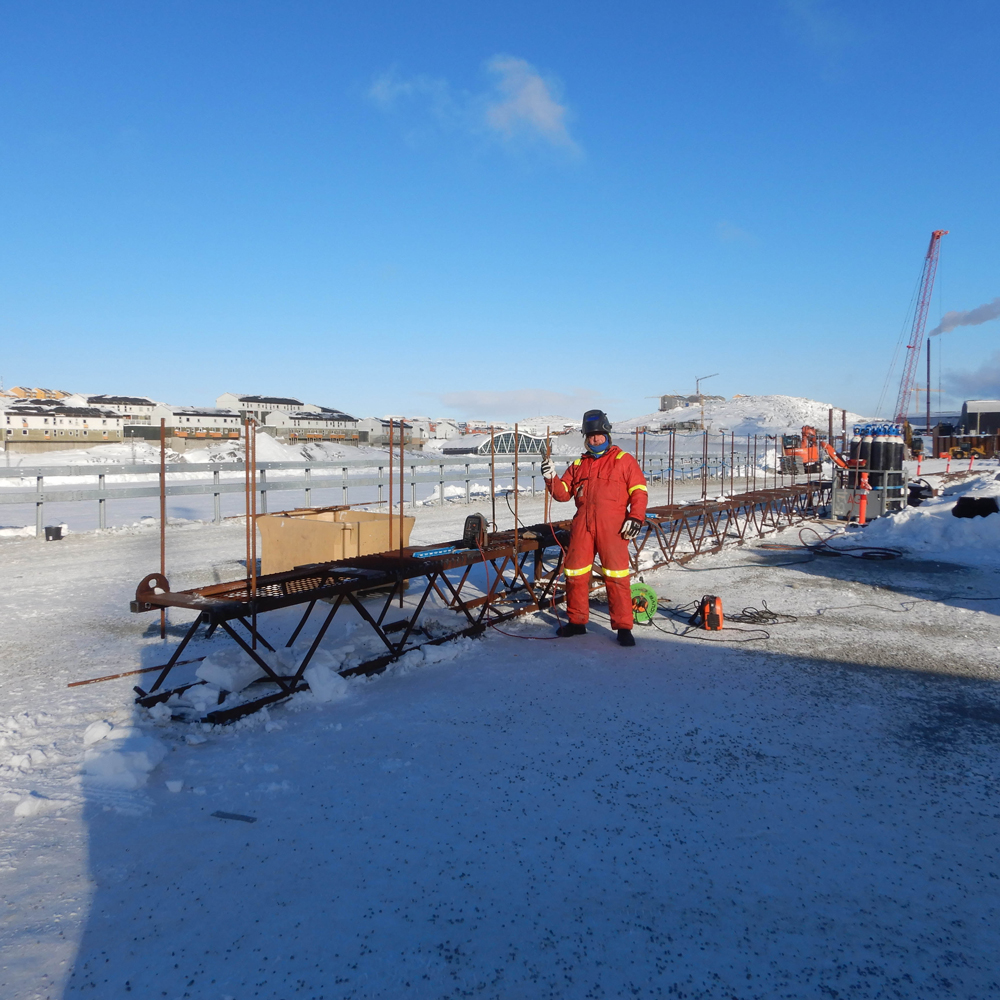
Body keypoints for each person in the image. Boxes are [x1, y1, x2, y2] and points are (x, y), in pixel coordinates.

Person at [541, 410, 647, 646]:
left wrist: (636, 517)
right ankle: (577, 622)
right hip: (583, 525)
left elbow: (639, 491)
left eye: (599, 435)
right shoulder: (579, 464)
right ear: (585, 438)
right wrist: (551, 477)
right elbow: (562, 494)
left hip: (614, 527)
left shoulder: (624, 460)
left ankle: (623, 628)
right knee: (575, 573)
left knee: (617, 576)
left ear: (607, 434)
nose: (595, 439)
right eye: (591, 436)